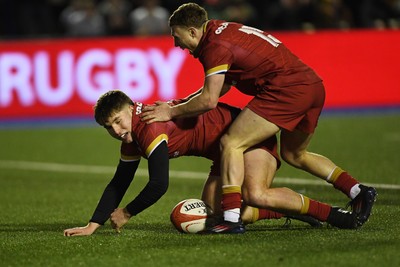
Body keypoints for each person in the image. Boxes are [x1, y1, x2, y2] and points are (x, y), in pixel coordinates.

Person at [139, 3, 377, 233]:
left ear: (192, 31)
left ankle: (231, 219)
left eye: (177, 37)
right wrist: (181, 103)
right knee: (295, 154)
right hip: (312, 86)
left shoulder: (214, 46)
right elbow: (221, 88)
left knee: (231, 143)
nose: (176, 44)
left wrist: (171, 111)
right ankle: (357, 190)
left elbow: (210, 101)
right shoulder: (223, 31)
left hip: (286, 90)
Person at [63, 90, 360, 236]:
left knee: (255, 193)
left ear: (130, 108)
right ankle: (288, 213)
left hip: (248, 139)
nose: (115, 131)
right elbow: (120, 180)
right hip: (223, 152)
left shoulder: (147, 127)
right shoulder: (131, 135)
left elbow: (158, 184)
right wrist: (94, 223)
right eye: (108, 127)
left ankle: (334, 214)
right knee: (217, 215)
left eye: (117, 121)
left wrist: (126, 213)